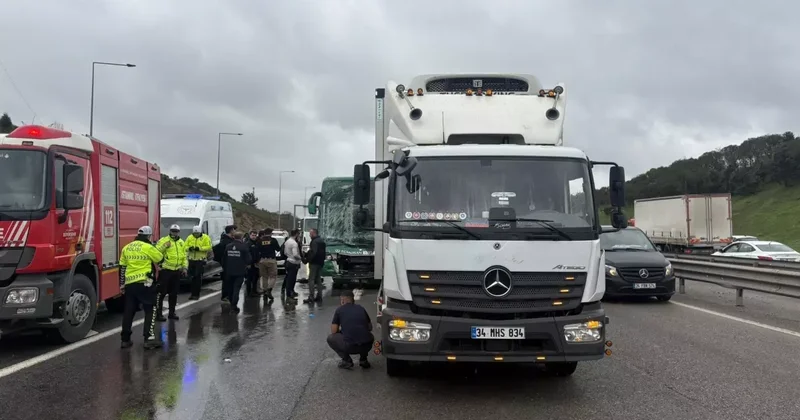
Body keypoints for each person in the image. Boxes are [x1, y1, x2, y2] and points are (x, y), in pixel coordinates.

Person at [119, 226, 164, 349]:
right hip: (145, 283)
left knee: (129, 311)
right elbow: (160, 258)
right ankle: (148, 339)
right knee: (150, 309)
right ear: (149, 236)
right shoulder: (148, 247)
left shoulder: (127, 247)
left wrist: (122, 284)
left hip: (130, 284)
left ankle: (125, 340)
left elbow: (122, 267)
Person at [327, 289, 374, 369]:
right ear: (353, 299)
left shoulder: (339, 310)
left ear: (342, 300)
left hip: (350, 346)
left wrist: (343, 332)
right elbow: (370, 327)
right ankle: (363, 359)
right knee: (369, 335)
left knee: (331, 338)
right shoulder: (361, 308)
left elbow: (334, 331)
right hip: (367, 345)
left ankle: (346, 360)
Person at [155, 224, 188, 321]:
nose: (174, 233)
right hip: (166, 270)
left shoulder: (182, 242)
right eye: (173, 231)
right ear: (170, 231)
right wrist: (165, 246)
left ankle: (171, 313)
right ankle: (158, 314)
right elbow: (156, 252)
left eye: (176, 231)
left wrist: (185, 268)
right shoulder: (164, 240)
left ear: (179, 232)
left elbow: (184, 256)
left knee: (174, 293)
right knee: (162, 293)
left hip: (176, 271)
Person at [222, 231, 252, 313]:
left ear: (233, 237)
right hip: (239, 272)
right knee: (236, 289)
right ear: (241, 238)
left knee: (230, 288)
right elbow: (249, 260)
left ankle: (232, 303)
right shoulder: (243, 247)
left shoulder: (228, 246)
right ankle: (233, 306)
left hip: (229, 271)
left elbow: (224, 259)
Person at [185, 225, 212, 300]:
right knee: (192, 277)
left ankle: (196, 294)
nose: (195, 235)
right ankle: (192, 293)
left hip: (200, 260)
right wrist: (189, 248)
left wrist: (199, 249)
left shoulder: (205, 237)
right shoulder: (190, 237)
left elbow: (209, 246)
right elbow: (185, 246)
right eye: (194, 234)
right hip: (191, 260)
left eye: (197, 234)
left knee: (197, 278)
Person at [256, 228, 280, 304]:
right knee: (273, 276)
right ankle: (269, 290)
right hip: (271, 260)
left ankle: (264, 290)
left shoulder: (259, 241)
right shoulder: (273, 240)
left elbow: (257, 250)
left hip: (262, 260)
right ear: (271, 233)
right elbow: (278, 249)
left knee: (264, 276)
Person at [213, 225, 236, 301]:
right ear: (231, 231)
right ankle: (225, 296)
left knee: (230, 280)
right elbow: (217, 249)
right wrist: (222, 260)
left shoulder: (230, 239)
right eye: (234, 230)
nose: (235, 231)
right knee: (226, 280)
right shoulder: (225, 241)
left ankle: (229, 295)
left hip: (231, 264)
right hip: (226, 264)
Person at [304, 228, 326, 304]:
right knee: (318, 279)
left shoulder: (314, 242)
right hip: (320, 262)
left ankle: (311, 296)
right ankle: (319, 296)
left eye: (310, 234)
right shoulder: (322, 241)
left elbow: (313, 253)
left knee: (311, 279)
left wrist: (307, 259)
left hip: (314, 263)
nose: (309, 235)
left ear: (314, 233)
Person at [282, 229, 302, 301]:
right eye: (298, 234)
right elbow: (295, 254)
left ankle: (290, 292)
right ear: (296, 234)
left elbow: (284, 252)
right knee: (291, 279)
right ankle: (289, 294)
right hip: (293, 263)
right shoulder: (294, 243)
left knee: (289, 278)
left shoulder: (287, 241)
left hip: (288, 261)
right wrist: (301, 258)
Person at [245, 230, 260, 297]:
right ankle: (249, 292)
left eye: (255, 235)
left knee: (256, 278)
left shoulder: (257, 243)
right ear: (250, 235)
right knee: (249, 278)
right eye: (252, 235)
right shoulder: (248, 243)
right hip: (250, 264)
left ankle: (254, 290)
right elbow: (247, 254)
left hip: (256, 263)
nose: (254, 237)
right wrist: (248, 263)